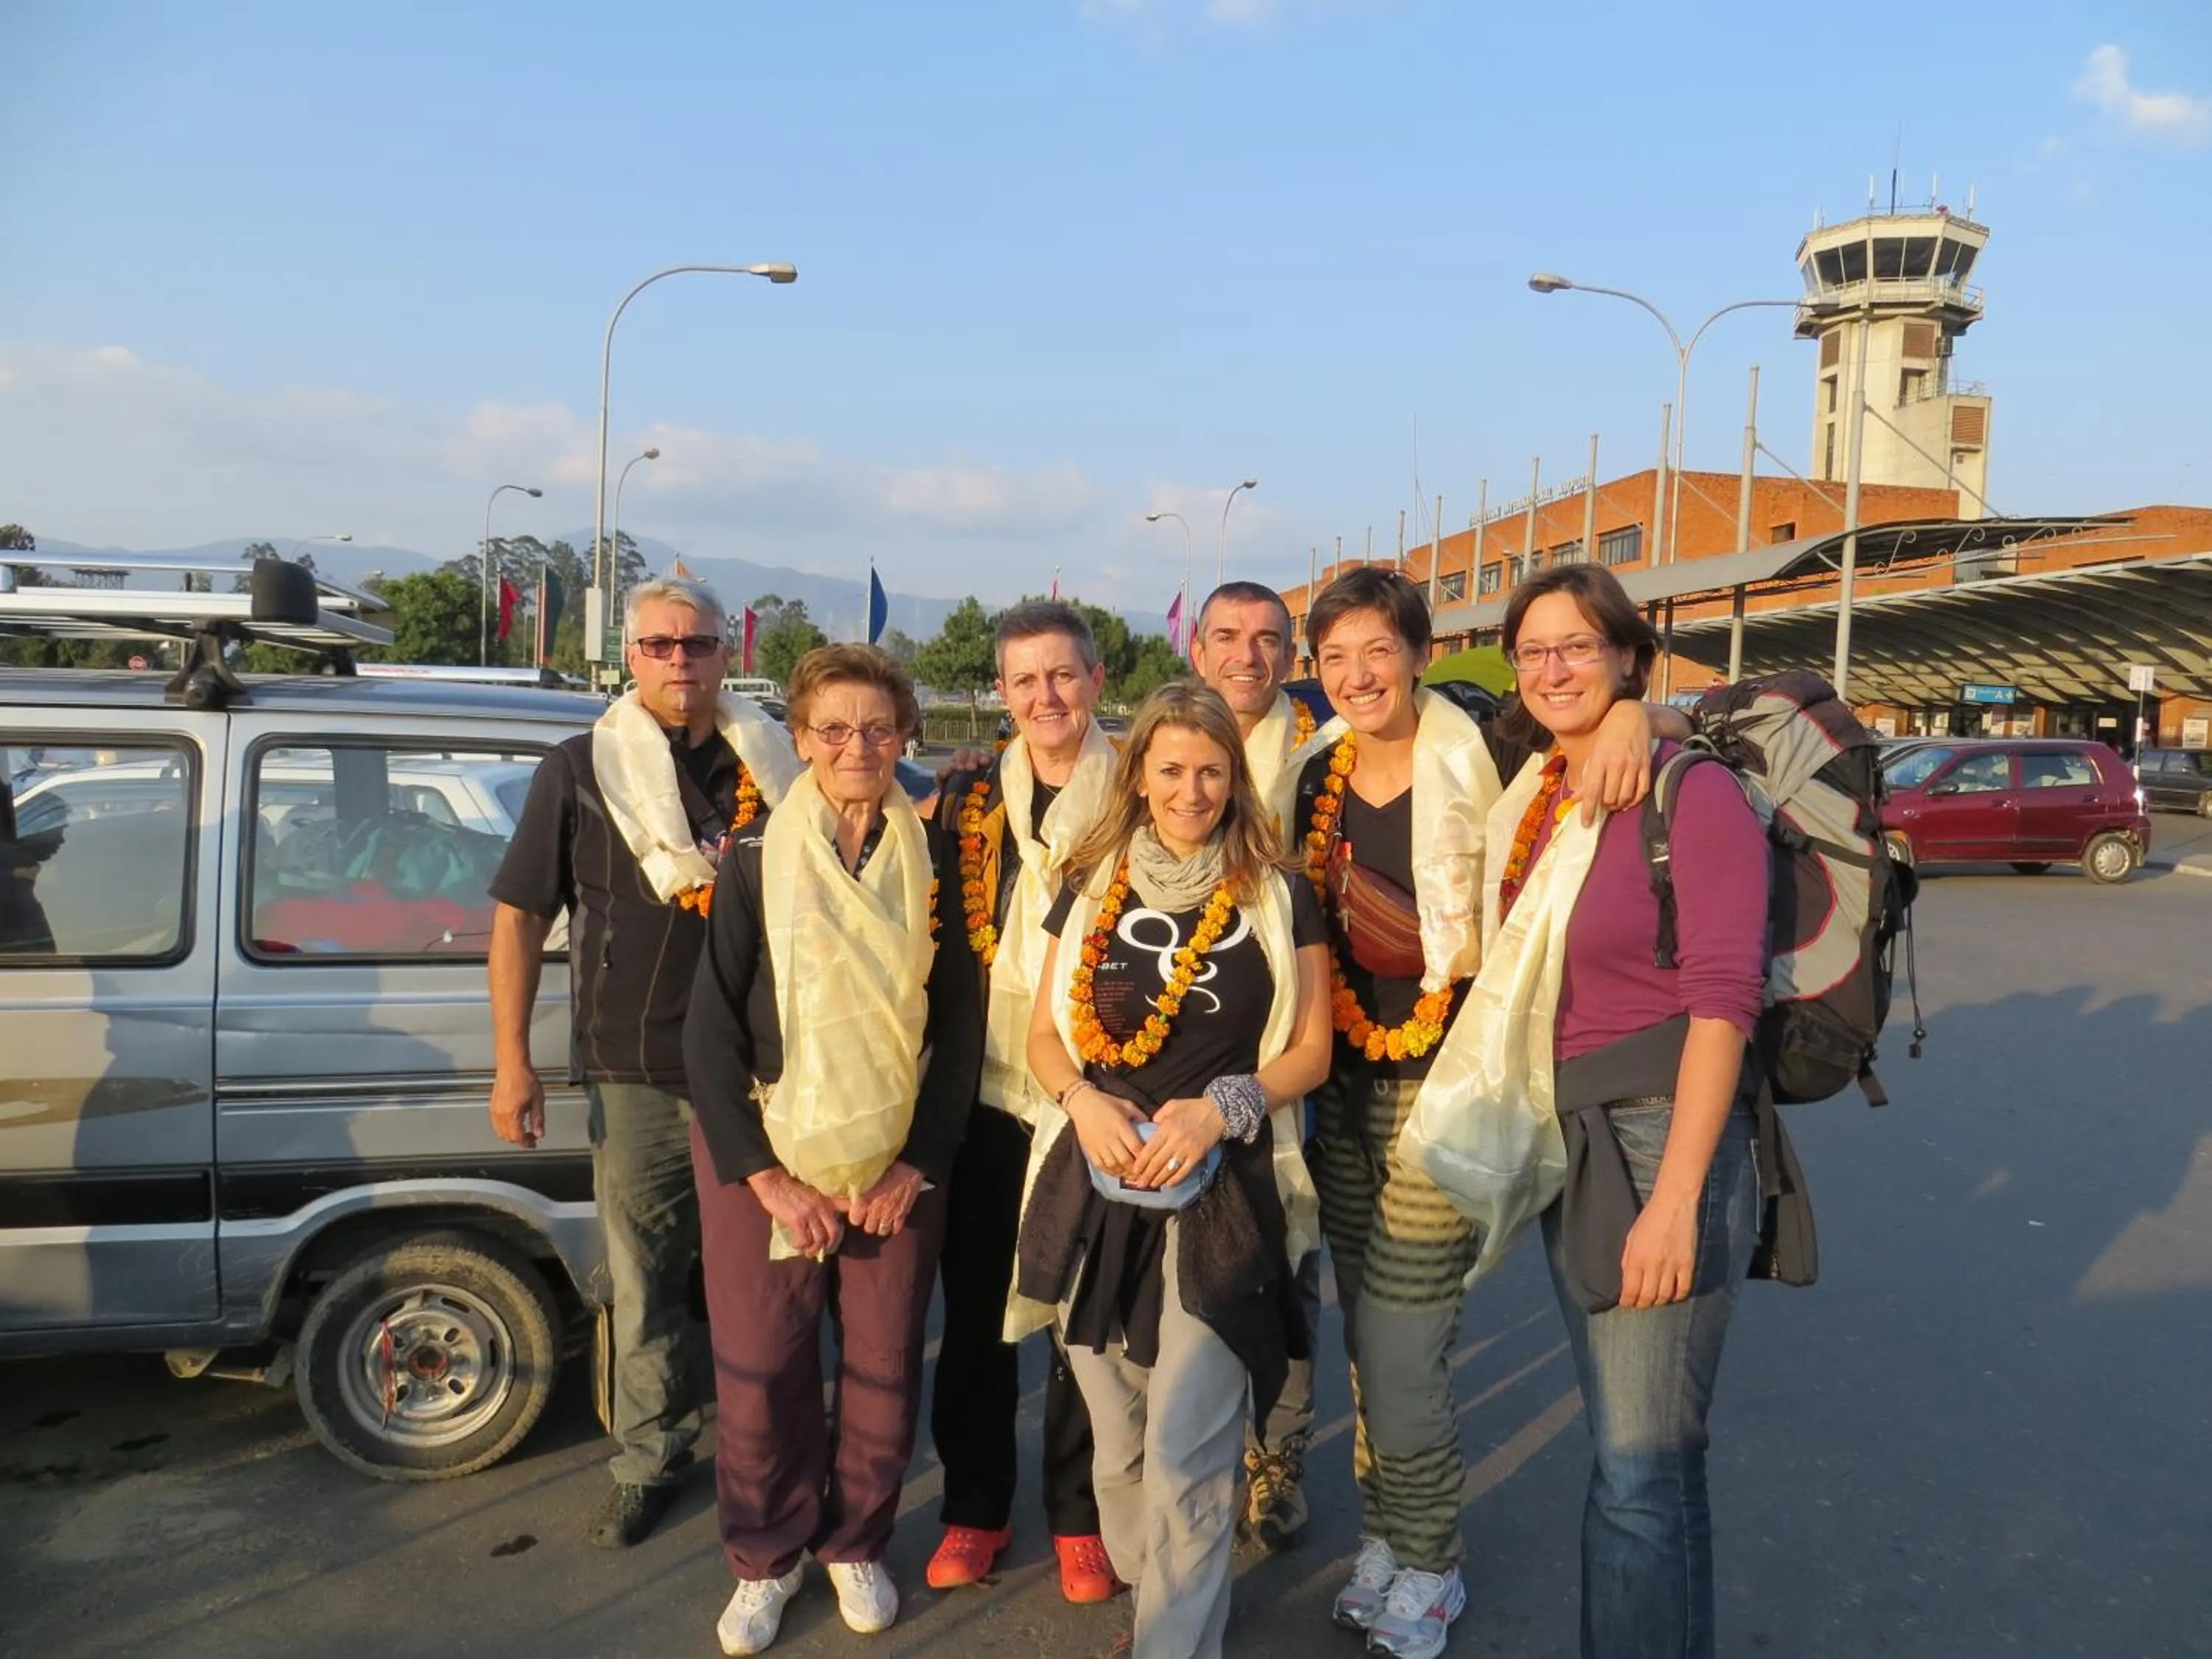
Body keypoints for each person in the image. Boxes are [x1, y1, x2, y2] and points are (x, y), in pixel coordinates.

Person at [1291, 568, 1669, 1659]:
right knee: (1367, 1343)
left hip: (1450, 1087)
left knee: (1404, 1348)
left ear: (1418, 649)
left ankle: (1434, 1562)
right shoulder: (1315, 771)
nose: (1357, 675)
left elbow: (1610, 720)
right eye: (1335, 658)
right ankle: (1389, 1538)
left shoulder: (1490, 747)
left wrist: (1642, 703)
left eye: (1376, 649)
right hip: (1342, 1091)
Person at [1488, 566, 1771, 1659]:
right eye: (1534, 650)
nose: (1553, 667)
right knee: (1636, 1459)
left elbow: (1721, 1001)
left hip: (1659, 1139)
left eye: (1578, 646)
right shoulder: (1548, 791)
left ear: (1625, 657)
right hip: (1581, 1140)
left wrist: (1678, 1201)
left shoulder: (1687, 790)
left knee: (1642, 1467)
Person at [1018, 681, 1332, 1659]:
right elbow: (1040, 1038)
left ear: (1235, 778)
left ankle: (1172, 1641)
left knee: (1189, 1448)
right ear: (1139, 773)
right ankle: (1154, 1594)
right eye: (1171, 769)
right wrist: (1083, 1097)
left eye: (1211, 769)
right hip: (1095, 1188)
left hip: (1223, 1196)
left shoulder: (1280, 890)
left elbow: (1312, 1049)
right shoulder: (1091, 876)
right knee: (1117, 1441)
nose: (1191, 790)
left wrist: (1220, 1108)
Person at [487, 576, 799, 1548]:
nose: (679, 661)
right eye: (660, 645)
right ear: (631, 656)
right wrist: (512, 1058)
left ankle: (777, 1450)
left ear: (723, 654)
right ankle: (651, 1455)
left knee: (768, 1280)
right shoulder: (582, 768)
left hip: (765, 1069)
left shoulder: (778, 763)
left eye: (697, 644)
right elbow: (520, 916)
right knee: (646, 1277)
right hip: (637, 1069)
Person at [682, 644, 979, 1658]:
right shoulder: (759, 857)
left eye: (879, 727)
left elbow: (961, 1024)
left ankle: (857, 1539)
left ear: (907, 736)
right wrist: (764, 1176)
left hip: (895, 1156)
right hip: (769, 1151)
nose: (858, 746)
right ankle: (764, 1558)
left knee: (886, 1361)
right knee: (763, 1367)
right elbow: (709, 1026)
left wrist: (916, 1161)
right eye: (834, 728)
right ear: (800, 738)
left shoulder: (935, 859)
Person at [924, 600, 1113, 1603]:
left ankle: (1080, 1513)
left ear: (1096, 675)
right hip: (986, 1096)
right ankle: (977, 1502)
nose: (1045, 696)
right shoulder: (965, 800)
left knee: (1083, 1316)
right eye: (1024, 679)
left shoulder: (1139, 793)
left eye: (1063, 674)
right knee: (981, 1315)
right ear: (1001, 691)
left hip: (1088, 1096)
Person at [1189, 578, 1338, 1549]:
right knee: (1191, 1273)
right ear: (1198, 649)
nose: (1248, 654)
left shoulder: (1331, 758)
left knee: (1288, 1264)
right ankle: (1195, 1459)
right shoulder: (1157, 750)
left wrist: (1644, 709)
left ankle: (1276, 1457)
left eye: (1269, 639)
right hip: (1180, 1055)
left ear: (1295, 658)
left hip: (1301, 1051)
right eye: (1229, 637)